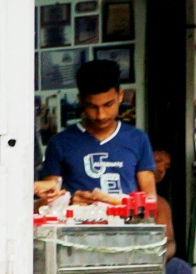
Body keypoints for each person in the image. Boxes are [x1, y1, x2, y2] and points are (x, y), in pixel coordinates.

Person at [38, 60, 156, 204]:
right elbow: (49, 199)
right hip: (76, 224)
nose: (101, 115)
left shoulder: (138, 139)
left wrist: (117, 204)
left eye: (108, 105)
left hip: (125, 224)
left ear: (120, 96)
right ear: (80, 101)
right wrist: (69, 202)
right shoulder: (60, 143)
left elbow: (150, 199)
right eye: (92, 106)